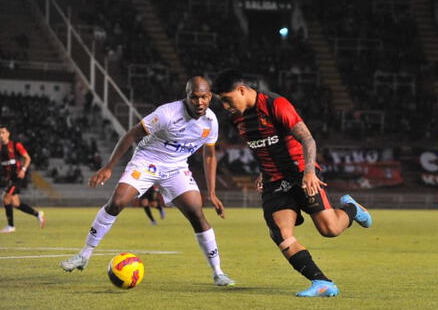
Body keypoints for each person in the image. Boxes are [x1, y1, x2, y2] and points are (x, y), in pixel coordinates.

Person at [59, 76, 235, 286]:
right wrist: (109, 167)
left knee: (197, 214)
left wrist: (212, 193)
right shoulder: (167, 113)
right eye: (194, 97)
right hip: (147, 161)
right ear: (186, 96)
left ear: (210, 96)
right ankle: (84, 255)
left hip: (176, 169)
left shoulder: (211, 121)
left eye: (204, 97)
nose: (199, 103)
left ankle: (218, 272)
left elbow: (209, 155)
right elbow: (132, 134)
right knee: (117, 202)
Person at [213, 69, 372, 297]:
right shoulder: (235, 117)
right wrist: (262, 171)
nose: (226, 107)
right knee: (279, 232)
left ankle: (351, 209)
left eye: (227, 100)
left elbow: (307, 138)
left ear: (241, 90)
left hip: (301, 174)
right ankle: (322, 282)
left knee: (330, 229)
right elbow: (260, 145)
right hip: (273, 181)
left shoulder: (275, 104)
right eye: (222, 103)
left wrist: (309, 173)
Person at [0, 125, 45, 233]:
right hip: (9, 178)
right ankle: (38, 214)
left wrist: (23, 169)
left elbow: (28, 158)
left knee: (6, 199)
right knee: (16, 204)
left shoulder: (15, 145)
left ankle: (11, 226)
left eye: (3, 132)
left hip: (18, 177)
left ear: (8, 134)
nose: (1, 135)